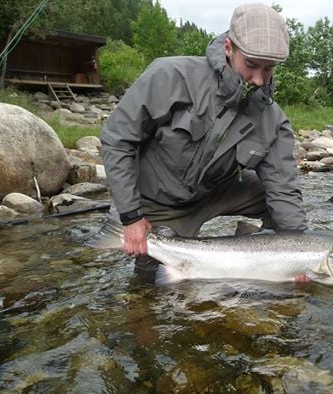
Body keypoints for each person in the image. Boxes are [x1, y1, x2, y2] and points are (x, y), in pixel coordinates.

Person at [101, 3, 308, 270]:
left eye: (269, 69)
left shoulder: (273, 120)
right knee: (156, 289)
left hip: (212, 193)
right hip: (157, 203)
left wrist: (299, 258)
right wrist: (130, 217)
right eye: (252, 65)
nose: (259, 79)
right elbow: (118, 140)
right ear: (228, 48)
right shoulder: (170, 76)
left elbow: (284, 189)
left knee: (274, 201)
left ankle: (253, 255)